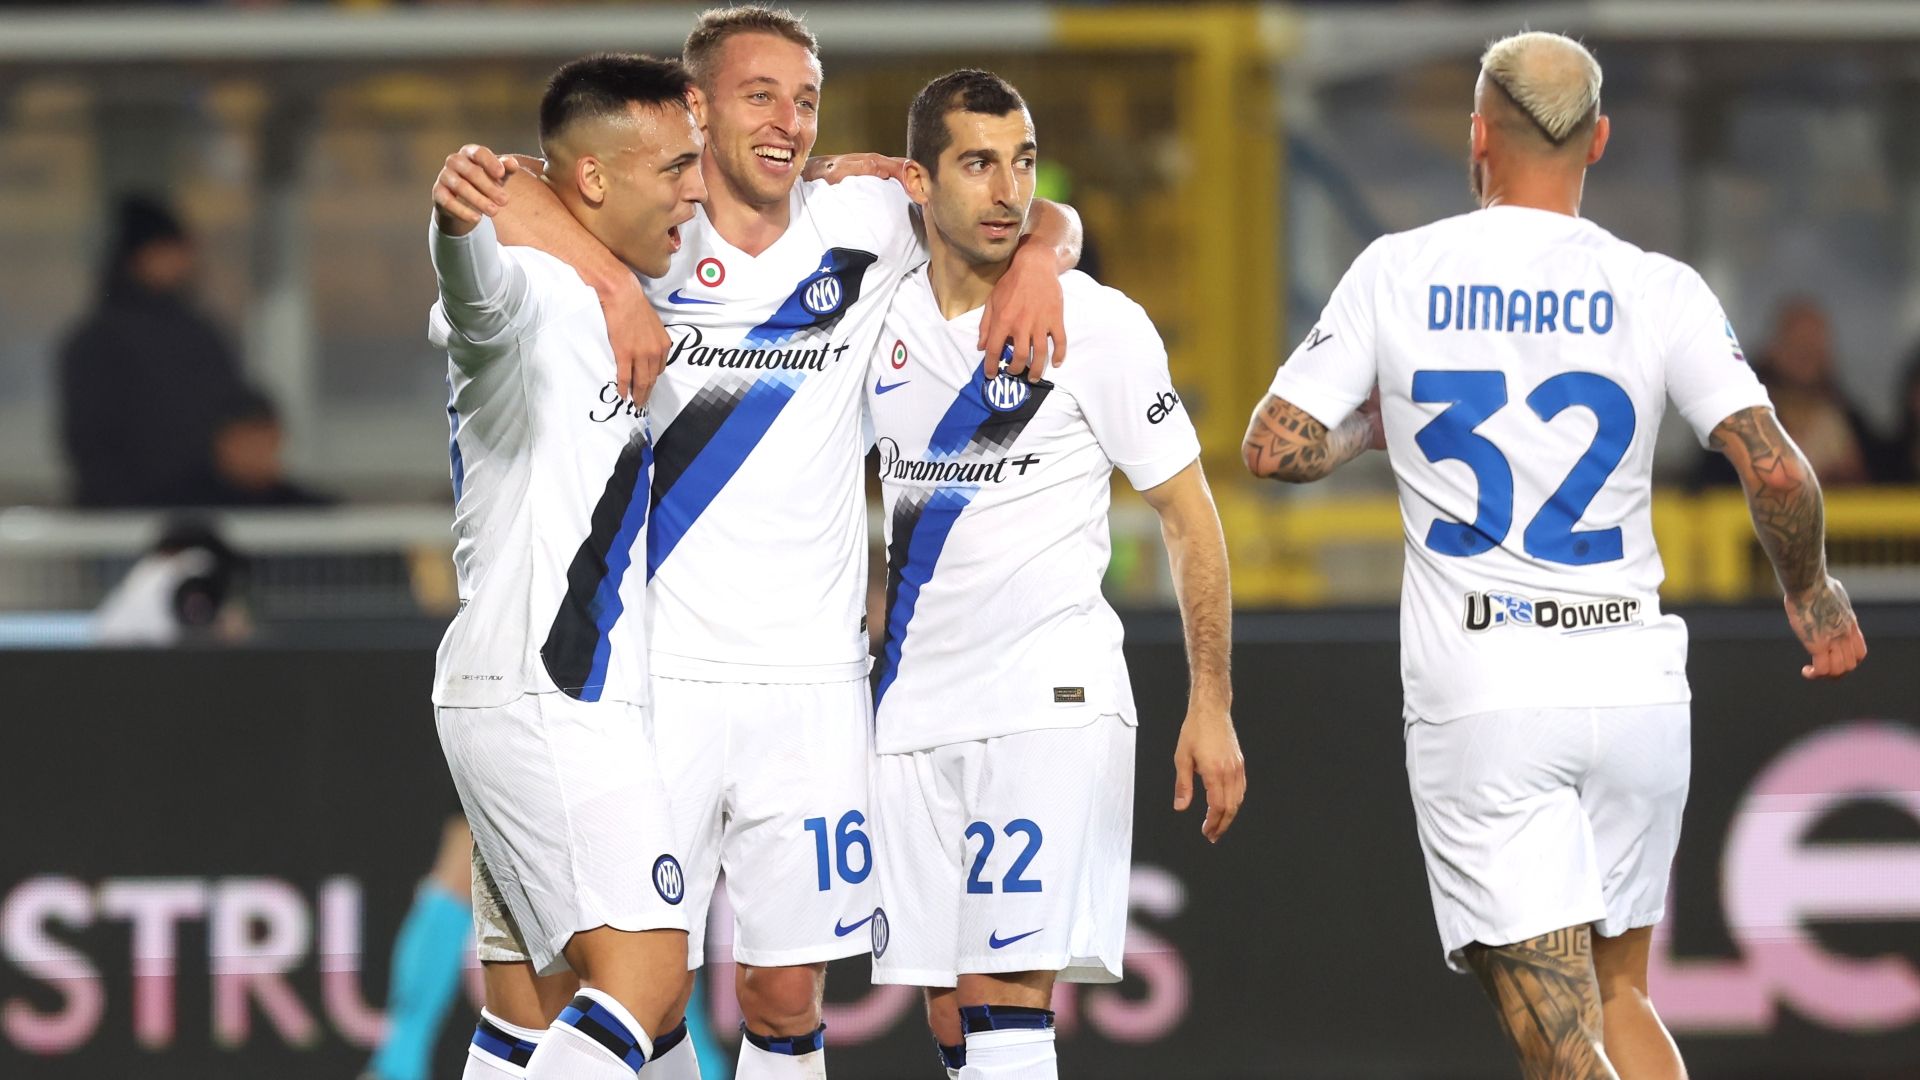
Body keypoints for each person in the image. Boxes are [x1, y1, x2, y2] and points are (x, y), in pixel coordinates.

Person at [432, 8, 1082, 1078]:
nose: (789, 121)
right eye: (759, 95)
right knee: (635, 988)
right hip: (649, 675)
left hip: (812, 678)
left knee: (783, 991)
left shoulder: (866, 215)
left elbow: (1024, 204)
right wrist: (610, 287)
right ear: (695, 109)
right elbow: (497, 196)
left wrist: (1044, 262)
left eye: (807, 99)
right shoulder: (633, 223)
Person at [1242, 31, 1866, 1080]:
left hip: (1489, 694)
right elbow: (1775, 470)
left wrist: (1370, 431)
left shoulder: (1400, 271)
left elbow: (1275, 445)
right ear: (1601, 142)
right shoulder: (1658, 286)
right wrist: (1812, 591)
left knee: (1558, 1044)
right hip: (1632, 684)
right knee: (1622, 997)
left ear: (1477, 137)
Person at [863, 70, 1243, 1080]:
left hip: (1047, 695)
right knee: (950, 1016)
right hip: (910, 705)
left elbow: (1189, 517)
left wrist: (1212, 702)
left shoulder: (1099, 326)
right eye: (977, 163)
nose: (1006, 191)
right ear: (920, 180)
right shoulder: (876, 318)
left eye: (1022, 163)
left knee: (1002, 1000)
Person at [427, 53, 707, 1080]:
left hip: (526, 691)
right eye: (677, 166)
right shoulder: (536, 293)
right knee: (643, 980)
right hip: (552, 694)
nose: (696, 188)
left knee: (533, 1012)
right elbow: (476, 300)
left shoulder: (613, 279)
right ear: (594, 179)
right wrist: (454, 226)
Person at [58, 195, 327, 508]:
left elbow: (230, 416)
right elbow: (89, 442)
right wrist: (129, 512)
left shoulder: (201, 331)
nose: (185, 261)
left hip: (203, 508)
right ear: (139, 256)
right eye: (171, 250)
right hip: (126, 521)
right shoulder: (98, 340)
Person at [1694, 296, 1895, 487]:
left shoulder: (1850, 423)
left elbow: (1889, 481)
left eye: (1814, 345)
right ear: (1774, 348)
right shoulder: (1738, 422)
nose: (1806, 354)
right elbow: (1711, 487)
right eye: (1796, 344)